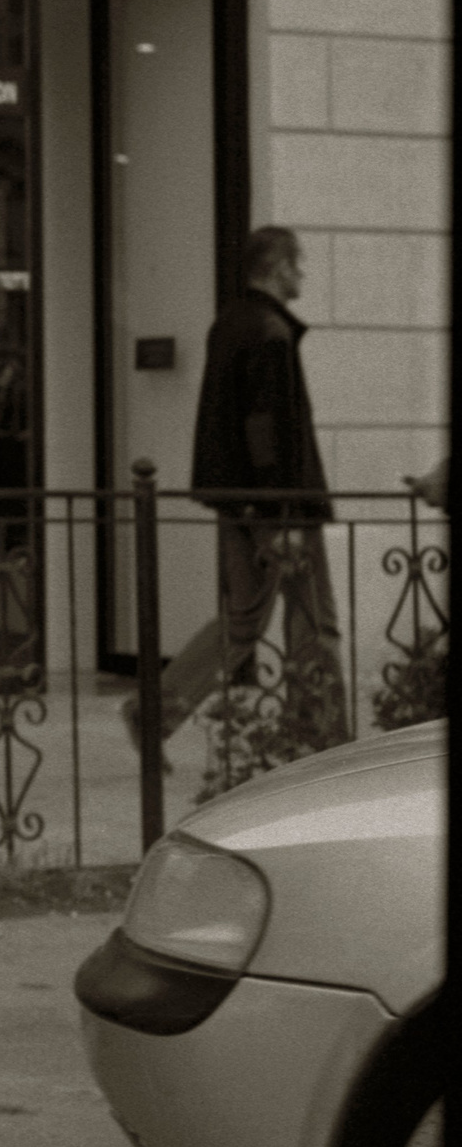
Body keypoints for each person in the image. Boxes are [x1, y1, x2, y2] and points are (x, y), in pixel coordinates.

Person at [127, 225, 347, 760]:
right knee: (316, 619)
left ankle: (154, 710)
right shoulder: (269, 332)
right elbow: (265, 428)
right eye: (298, 265)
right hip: (277, 505)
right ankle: (324, 740)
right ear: (276, 268)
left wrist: (252, 503)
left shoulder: (230, 324)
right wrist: (285, 513)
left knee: (244, 620)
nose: (304, 275)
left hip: (239, 501)